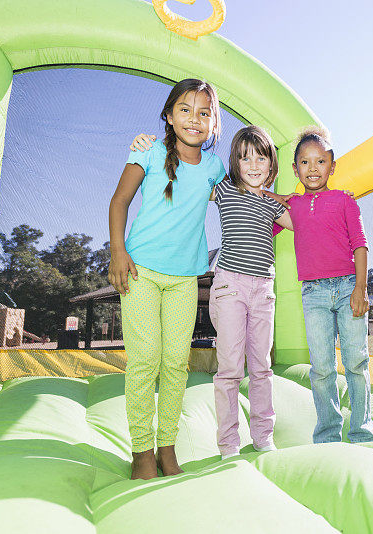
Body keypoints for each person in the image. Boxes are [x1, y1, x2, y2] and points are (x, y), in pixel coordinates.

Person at [130, 126, 293, 459]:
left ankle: (263, 436)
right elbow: (189, 177)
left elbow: (306, 223)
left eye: (261, 157)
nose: (253, 164)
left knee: (261, 366)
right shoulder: (224, 191)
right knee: (230, 367)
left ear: (271, 163)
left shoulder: (274, 207)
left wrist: (317, 196)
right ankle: (228, 443)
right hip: (230, 285)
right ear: (235, 162)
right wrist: (149, 148)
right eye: (245, 158)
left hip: (263, 290)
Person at [108, 78, 226, 480]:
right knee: (145, 360)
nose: (194, 119)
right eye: (185, 110)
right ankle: (142, 451)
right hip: (140, 271)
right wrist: (117, 252)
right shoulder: (149, 152)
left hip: (185, 279)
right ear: (169, 115)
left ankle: (167, 448)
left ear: (213, 123)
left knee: (176, 364)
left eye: (204, 113)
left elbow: (235, 197)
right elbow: (119, 200)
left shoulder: (214, 168)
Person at [287, 126, 373, 444]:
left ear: (332, 166)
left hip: (349, 286)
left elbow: (360, 246)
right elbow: (263, 201)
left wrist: (361, 289)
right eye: (305, 162)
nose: (313, 168)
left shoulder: (344, 201)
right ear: (295, 168)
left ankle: (363, 430)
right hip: (313, 293)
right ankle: (327, 433)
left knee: (355, 361)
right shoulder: (293, 206)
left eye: (320, 161)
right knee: (322, 367)